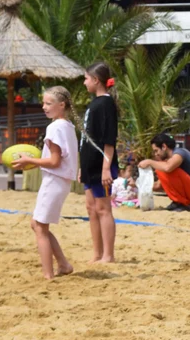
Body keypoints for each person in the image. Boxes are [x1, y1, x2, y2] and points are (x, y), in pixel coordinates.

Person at [12, 86, 78, 280]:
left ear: (61, 105)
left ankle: (48, 274)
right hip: (60, 182)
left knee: (40, 227)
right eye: (43, 103)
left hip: (54, 181)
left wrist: (29, 160)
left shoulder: (55, 127)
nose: (44, 107)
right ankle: (63, 264)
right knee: (37, 224)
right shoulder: (67, 125)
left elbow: (54, 162)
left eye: (48, 103)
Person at [81, 63, 119, 264]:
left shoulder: (106, 104)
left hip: (101, 165)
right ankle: (97, 253)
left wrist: (106, 168)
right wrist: (82, 166)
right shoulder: (94, 103)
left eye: (86, 78)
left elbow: (109, 139)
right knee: (91, 208)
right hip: (90, 164)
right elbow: (87, 138)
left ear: (96, 80)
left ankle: (108, 255)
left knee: (103, 208)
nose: (84, 82)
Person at [138, 133, 190, 211]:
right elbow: (158, 185)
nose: (156, 154)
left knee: (162, 168)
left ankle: (181, 203)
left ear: (164, 147)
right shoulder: (168, 162)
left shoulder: (180, 153)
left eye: (156, 150)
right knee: (161, 168)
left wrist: (149, 162)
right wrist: (137, 184)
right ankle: (179, 202)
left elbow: (167, 168)